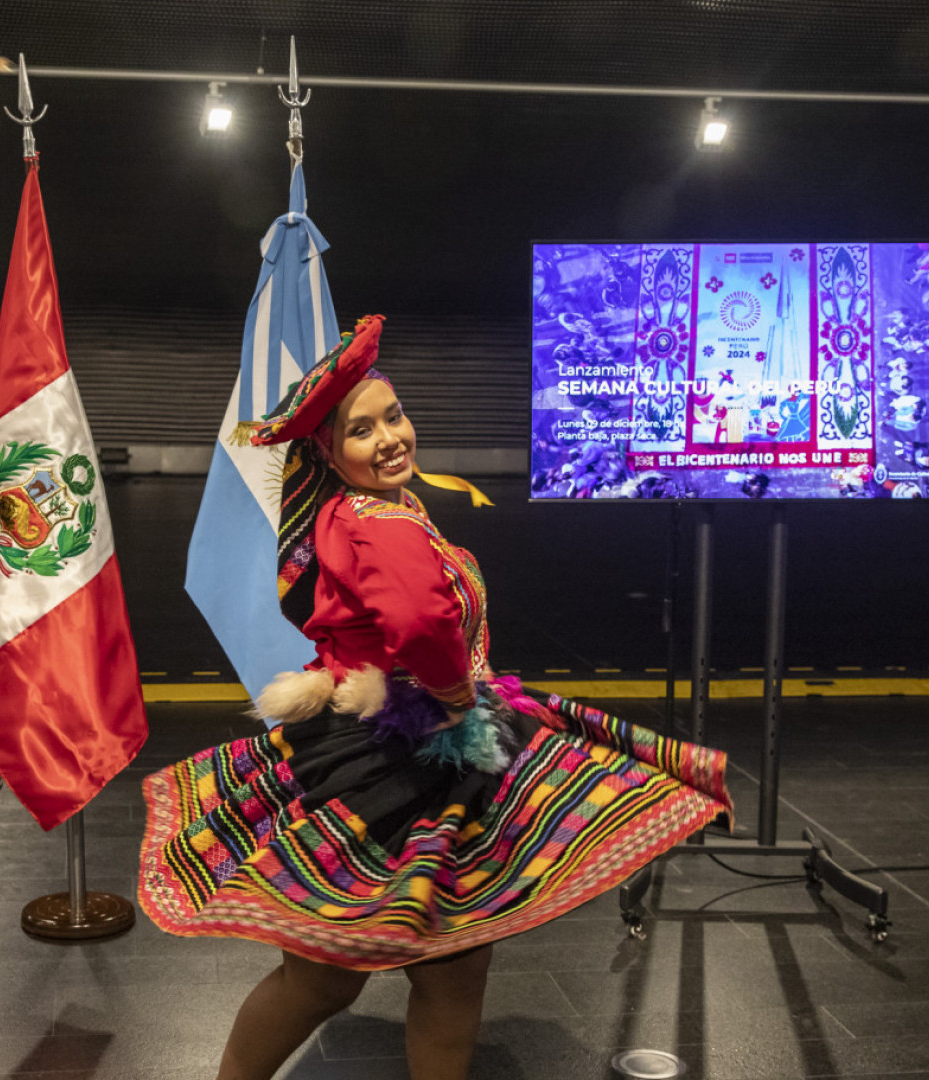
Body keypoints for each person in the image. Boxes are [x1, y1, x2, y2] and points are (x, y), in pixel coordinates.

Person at [139, 315, 733, 1080]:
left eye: (394, 415)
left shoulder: (353, 512)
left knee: (354, 972)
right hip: (407, 762)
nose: (389, 437)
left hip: (364, 747)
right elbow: (421, 621)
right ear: (328, 450)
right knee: (402, 969)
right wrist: (456, 696)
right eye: (361, 430)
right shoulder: (381, 525)